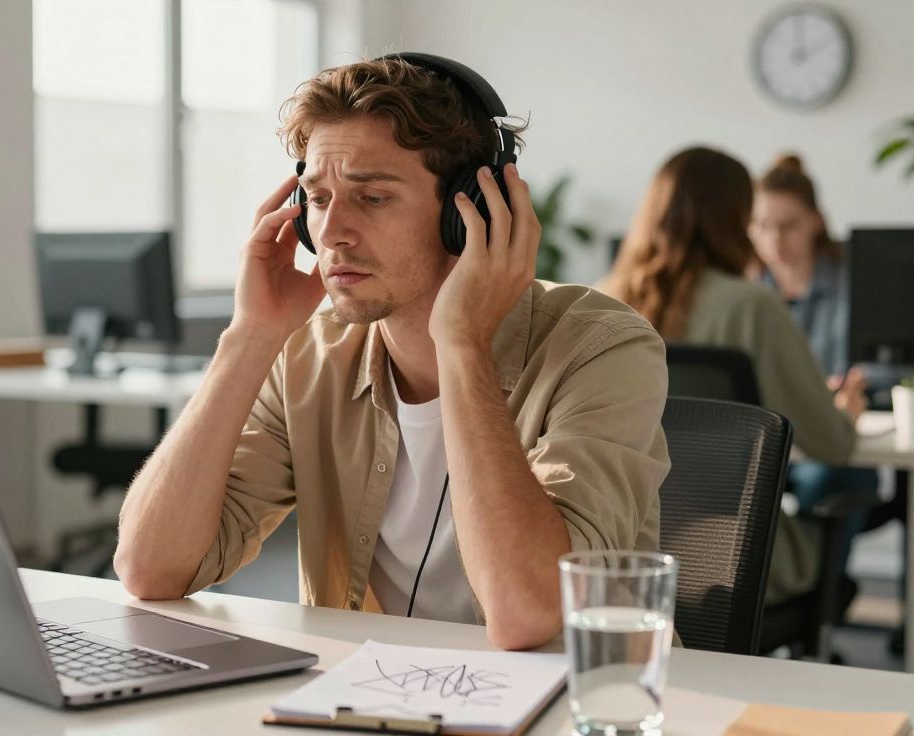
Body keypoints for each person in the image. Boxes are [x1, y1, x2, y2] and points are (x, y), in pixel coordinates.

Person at [115, 54, 670, 651]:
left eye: (372, 197)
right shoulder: (310, 354)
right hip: (368, 698)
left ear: (473, 212)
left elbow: (528, 614)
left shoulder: (604, 348)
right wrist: (250, 335)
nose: (330, 234)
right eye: (319, 199)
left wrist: (461, 345)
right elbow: (151, 570)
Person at [602, 146, 865, 606]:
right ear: (736, 217)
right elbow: (834, 445)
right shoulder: (751, 306)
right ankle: (827, 613)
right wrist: (845, 413)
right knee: (845, 489)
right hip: (726, 557)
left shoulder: (595, 301)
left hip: (614, 557)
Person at [750, 153, 879, 587]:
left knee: (822, 476)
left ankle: (817, 596)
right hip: (772, 436)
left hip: (833, 434)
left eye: (788, 225)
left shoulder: (855, 283)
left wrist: (847, 388)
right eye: (762, 226)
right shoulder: (749, 292)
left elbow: (881, 366)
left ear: (816, 221)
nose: (774, 240)